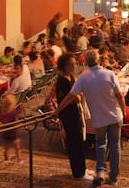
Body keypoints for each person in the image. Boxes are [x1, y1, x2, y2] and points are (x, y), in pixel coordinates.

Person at [54, 50, 125, 186]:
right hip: (114, 116)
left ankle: (100, 172)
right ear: (99, 61)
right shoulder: (109, 74)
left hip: (98, 119)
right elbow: (120, 96)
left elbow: (71, 96)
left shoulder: (83, 77)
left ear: (86, 62)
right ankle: (113, 178)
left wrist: (57, 110)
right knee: (114, 146)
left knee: (100, 144)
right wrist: (124, 110)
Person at [55, 52, 93, 181]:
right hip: (68, 115)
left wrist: (77, 96)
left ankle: (82, 168)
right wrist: (76, 97)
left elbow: (78, 95)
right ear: (65, 66)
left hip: (75, 112)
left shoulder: (70, 77)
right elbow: (73, 98)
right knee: (74, 143)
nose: (74, 66)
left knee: (79, 142)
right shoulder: (62, 82)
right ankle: (78, 172)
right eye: (72, 64)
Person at [0, 94, 22, 163]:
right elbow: (16, 121)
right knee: (17, 147)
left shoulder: (3, 112)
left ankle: (6, 158)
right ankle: (19, 159)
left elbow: (1, 120)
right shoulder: (13, 112)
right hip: (13, 132)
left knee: (6, 147)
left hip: (6, 131)